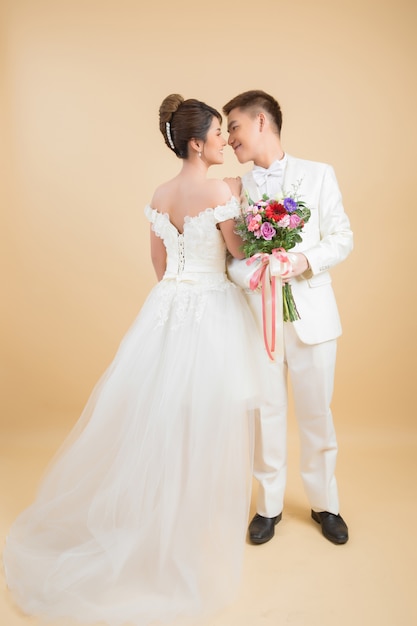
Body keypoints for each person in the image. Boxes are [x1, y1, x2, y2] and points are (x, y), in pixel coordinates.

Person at [3, 94, 269, 626]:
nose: (224, 141)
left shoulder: (160, 191)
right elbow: (238, 252)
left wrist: (175, 302)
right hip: (210, 309)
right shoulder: (219, 189)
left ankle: (161, 517)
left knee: (163, 417)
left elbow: (158, 260)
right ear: (197, 143)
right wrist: (256, 221)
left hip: (167, 306)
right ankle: (191, 529)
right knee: (207, 418)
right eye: (218, 133)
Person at [222, 89, 353, 546]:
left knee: (318, 415)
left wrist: (301, 262)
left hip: (312, 316)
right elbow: (229, 259)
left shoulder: (319, 175)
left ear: (261, 121)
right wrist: (253, 271)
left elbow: (341, 237)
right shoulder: (233, 189)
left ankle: (325, 503)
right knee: (266, 414)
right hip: (258, 320)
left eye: (233, 126)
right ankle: (268, 507)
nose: (228, 139)